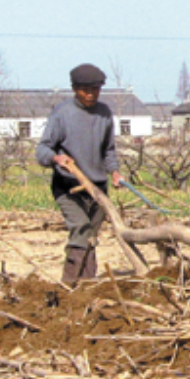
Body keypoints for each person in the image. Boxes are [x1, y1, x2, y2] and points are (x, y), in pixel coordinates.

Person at [36, 63, 124, 285]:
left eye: (95, 89)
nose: (90, 94)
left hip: (97, 189)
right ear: (75, 88)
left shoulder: (104, 114)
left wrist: (114, 172)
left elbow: (108, 150)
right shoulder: (62, 113)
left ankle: (86, 287)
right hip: (68, 186)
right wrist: (57, 158)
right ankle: (69, 284)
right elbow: (43, 150)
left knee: (91, 237)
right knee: (81, 228)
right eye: (85, 89)